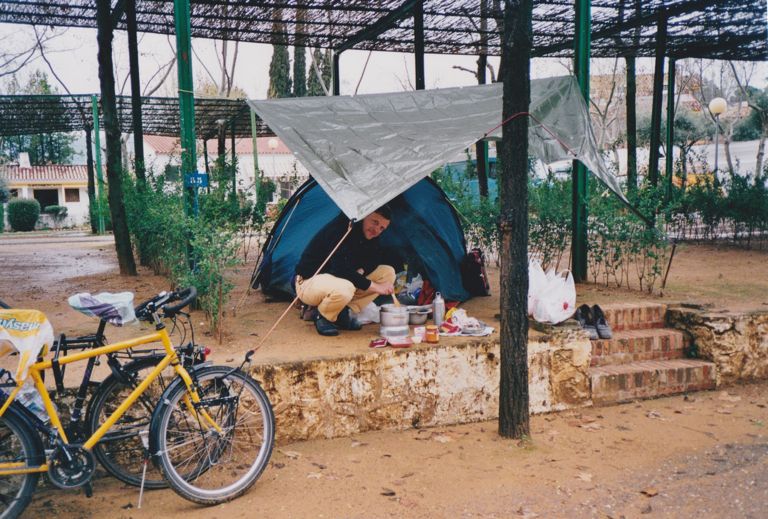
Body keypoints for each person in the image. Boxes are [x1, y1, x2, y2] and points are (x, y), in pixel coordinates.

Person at [295, 206, 396, 336]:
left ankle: (343, 311)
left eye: (382, 228)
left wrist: (362, 270)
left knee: (388, 273)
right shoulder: (342, 228)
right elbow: (339, 269)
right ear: (364, 215)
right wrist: (376, 287)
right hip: (309, 281)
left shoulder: (370, 234)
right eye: (375, 222)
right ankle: (323, 316)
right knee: (345, 287)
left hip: (338, 280)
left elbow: (374, 259)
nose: (376, 230)